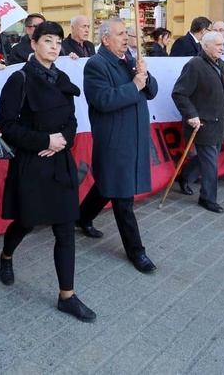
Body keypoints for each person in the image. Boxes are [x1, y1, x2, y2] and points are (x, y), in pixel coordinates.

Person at [0, 21, 96, 322]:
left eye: (58, 42)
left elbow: (73, 121)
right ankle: (6, 256)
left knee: (66, 229)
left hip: (60, 161)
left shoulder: (62, 78)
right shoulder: (20, 80)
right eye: (48, 40)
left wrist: (60, 142)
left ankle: (67, 295)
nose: (54, 46)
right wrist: (43, 140)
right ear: (35, 43)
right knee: (25, 222)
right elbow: (7, 126)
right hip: (31, 163)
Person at [75, 17, 159, 273]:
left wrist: (144, 74)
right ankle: (137, 252)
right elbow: (103, 100)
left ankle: (82, 217)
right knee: (123, 198)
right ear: (105, 39)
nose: (126, 38)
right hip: (114, 140)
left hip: (133, 137)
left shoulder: (130, 61)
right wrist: (134, 84)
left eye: (127, 34)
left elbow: (151, 91)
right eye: (121, 34)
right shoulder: (96, 65)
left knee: (106, 185)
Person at [172, 31, 224, 213]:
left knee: (208, 156)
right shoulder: (194, 65)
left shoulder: (221, 64)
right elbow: (179, 93)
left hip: (221, 122)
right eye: (217, 44)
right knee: (211, 163)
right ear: (206, 46)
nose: (221, 48)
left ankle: (184, 177)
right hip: (203, 124)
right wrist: (191, 114)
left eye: (222, 44)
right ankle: (208, 198)